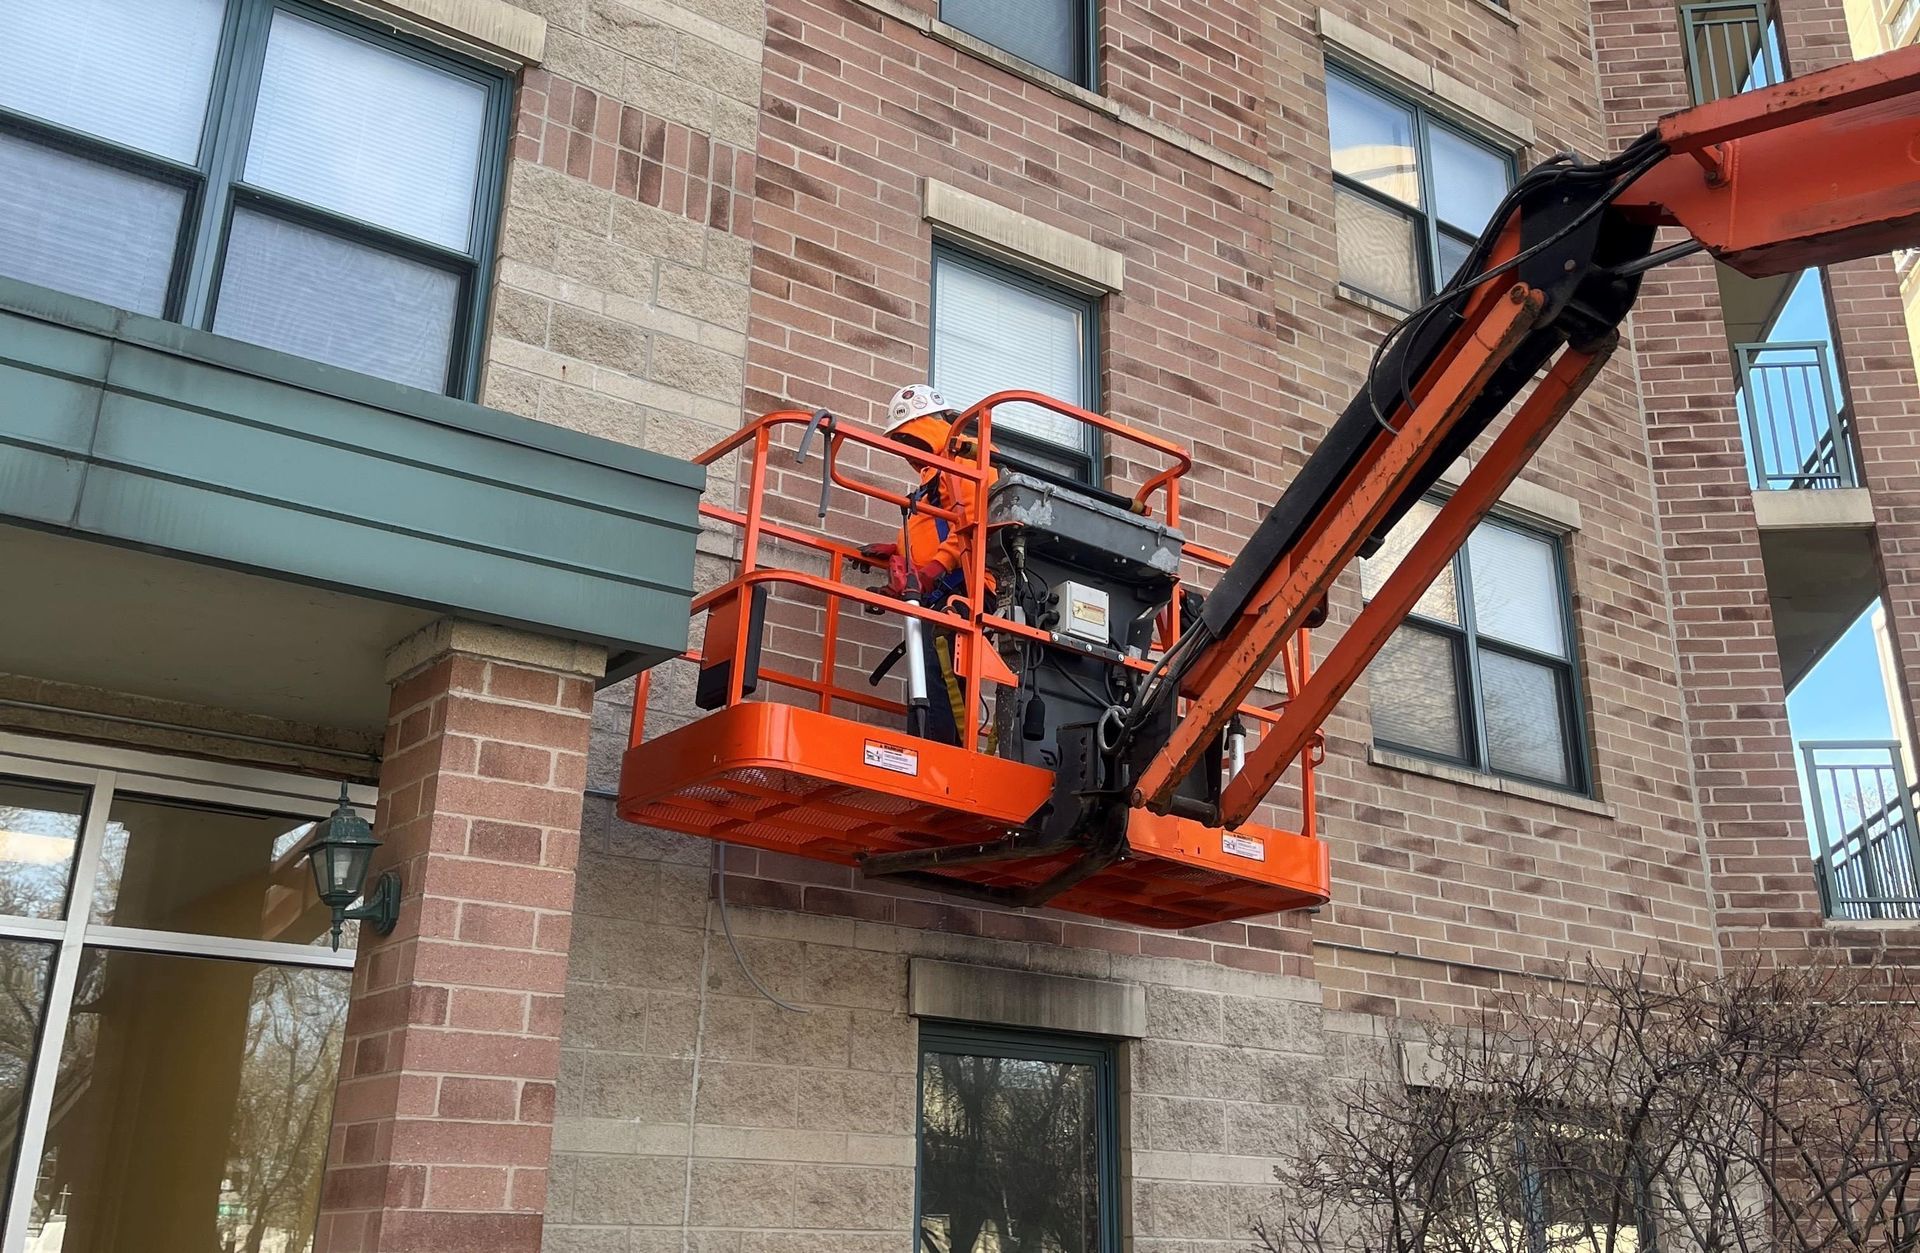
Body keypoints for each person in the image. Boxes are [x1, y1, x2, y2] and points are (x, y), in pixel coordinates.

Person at [861, 383, 997, 745]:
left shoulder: (964, 460)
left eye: (909, 442)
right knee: (926, 675)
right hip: (938, 591)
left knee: (942, 673)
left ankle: (942, 756)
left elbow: (972, 521)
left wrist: (932, 571)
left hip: (961, 588)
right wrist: (897, 550)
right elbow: (934, 529)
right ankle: (927, 746)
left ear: (924, 430)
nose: (907, 454)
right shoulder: (934, 475)